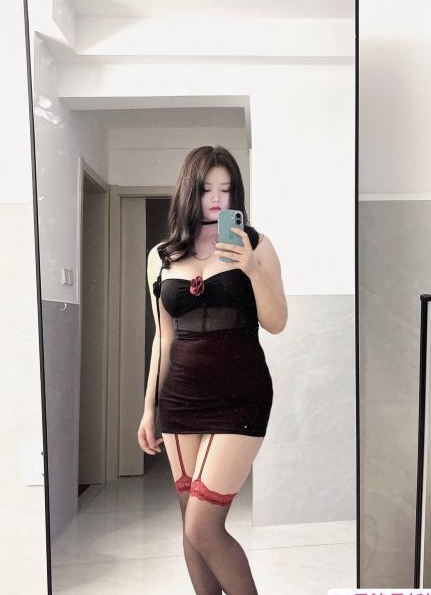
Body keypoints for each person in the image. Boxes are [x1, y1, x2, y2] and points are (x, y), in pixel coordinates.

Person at [137, 145, 287, 595]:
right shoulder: (161, 256)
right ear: (189, 192)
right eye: (206, 190)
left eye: (226, 189)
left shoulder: (256, 245)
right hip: (180, 398)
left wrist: (252, 270)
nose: (217, 199)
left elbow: (277, 322)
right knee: (190, 524)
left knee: (203, 526)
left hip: (241, 395)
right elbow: (163, 337)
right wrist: (149, 409)